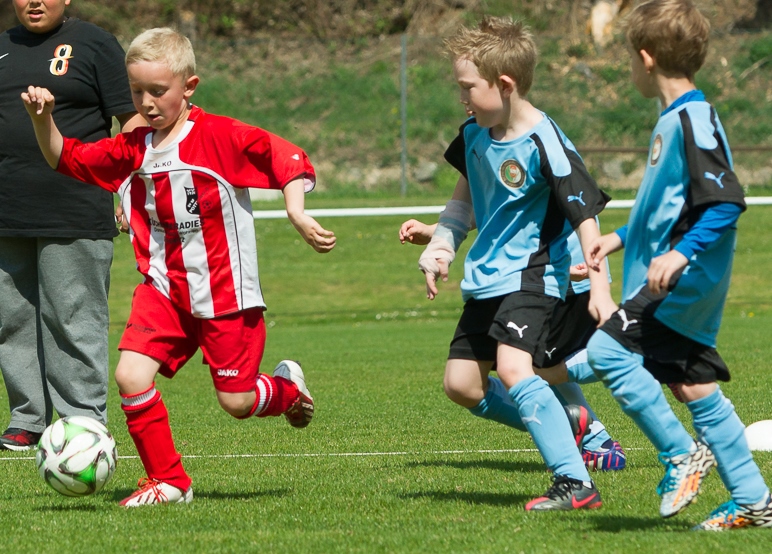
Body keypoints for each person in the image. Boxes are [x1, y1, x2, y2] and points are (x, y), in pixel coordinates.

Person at [22, 27, 336, 506]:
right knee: (130, 376)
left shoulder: (220, 137)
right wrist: (41, 118)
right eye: (136, 92)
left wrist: (297, 212)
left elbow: (288, 159)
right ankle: (169, 481)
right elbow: (65, 156)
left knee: (237, 401)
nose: (146, 103)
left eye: (157, 91)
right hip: (163, 289)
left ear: (189, 87)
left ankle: (287, 390)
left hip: (225, 294)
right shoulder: (132, 149)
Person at [416, 16, 617, 511]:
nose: (462, 98)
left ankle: (574, 482)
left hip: (533, 276)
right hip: (485, 279)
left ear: (504, 84)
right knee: (462, 385)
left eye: (468, 88)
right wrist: (440, 246)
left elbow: (586, 218)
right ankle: (567, 422)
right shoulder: (474, 133)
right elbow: (463, 200)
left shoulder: (546, 143)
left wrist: (600, 288)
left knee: (514, 367)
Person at [586, 0, 772, 530]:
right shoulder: (676, 119)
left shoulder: (693, 120)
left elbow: (726, 201)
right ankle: (754, 502)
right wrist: (618, 239)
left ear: (646, 58)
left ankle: (681, 453)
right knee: (691, 384)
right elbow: (670, 209)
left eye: (630, 58)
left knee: (607, 351)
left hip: (681, 282)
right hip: (678, 276)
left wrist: (680, 254)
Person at [0, 0, 144, 451]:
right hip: (7, 211)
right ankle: (27, 418)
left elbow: (132, 122)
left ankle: (83, 422)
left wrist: (131, 189)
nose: (34, 1)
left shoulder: (94, 43)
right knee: (12, 321)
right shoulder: (1, 48)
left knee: (73, 319)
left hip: (75, 206)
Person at [400, 219, 626, 471]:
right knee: (470, 383)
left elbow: (576, 209)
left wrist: (559, 266)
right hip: (505, 275)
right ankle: (585, 434)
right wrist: (439, 233)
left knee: (530, 367)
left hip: (556, 275)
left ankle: (645, 360)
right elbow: (493, 206)